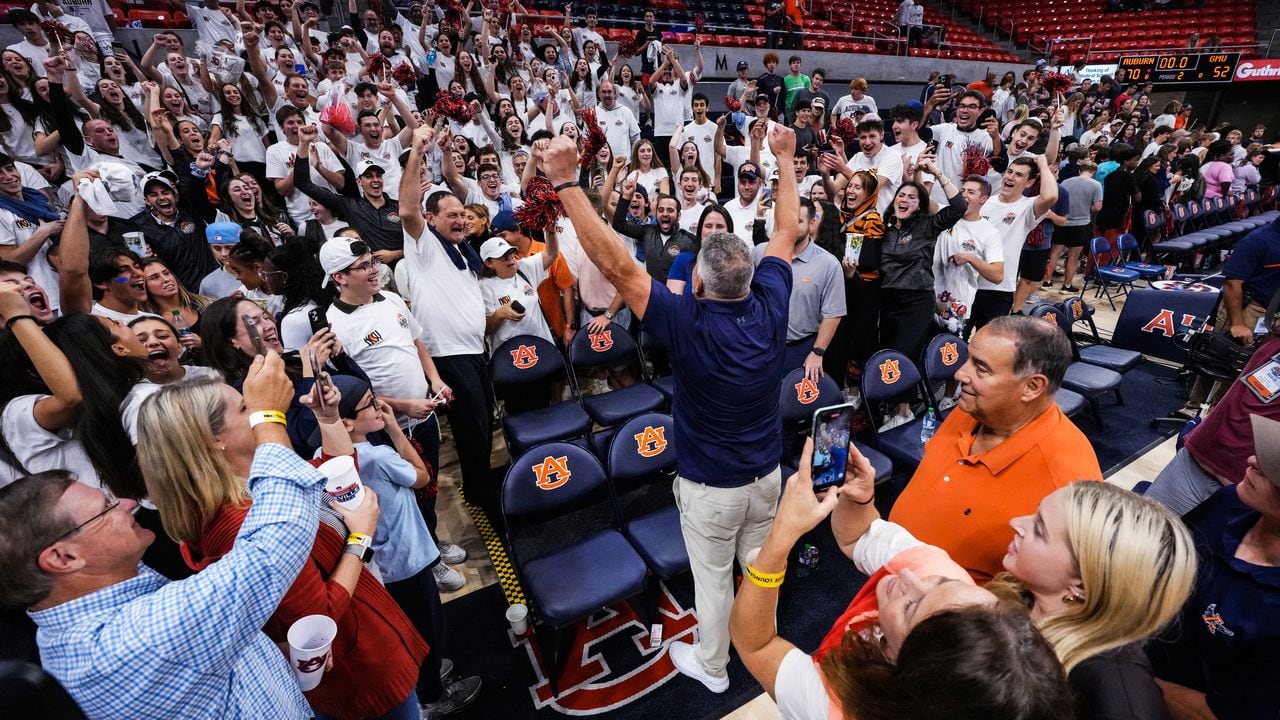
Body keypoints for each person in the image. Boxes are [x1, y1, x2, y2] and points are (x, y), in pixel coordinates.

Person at [540, 125, 800, 694]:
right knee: (761, 569)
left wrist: (564, 180)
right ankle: (761, 643)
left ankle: (713, 666)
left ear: (698, 281)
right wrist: (784, 158)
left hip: (713, 486)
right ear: (753, 281)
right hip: (767, 475)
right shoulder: (772, 304)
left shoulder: (687, 319)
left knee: (712, 583)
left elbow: (618, 268)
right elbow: (785, 231)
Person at [0, 352, 319, 720]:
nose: (124, 505)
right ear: (63, 558)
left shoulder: (102, 604)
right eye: (105, 509)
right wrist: (269, 417)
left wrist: (255, 655)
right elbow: (274, 546)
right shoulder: (128, 643)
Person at [138, 374, 431, 720]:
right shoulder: (240, 523)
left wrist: (328, 418)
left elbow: (332, 478)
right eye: (247, 407)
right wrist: (359, 539)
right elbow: (315, 619)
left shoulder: (258, 485)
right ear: (214, 439)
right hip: (357, 672)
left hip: (366, 646)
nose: (264, 412)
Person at [729, 437, 1074, 720]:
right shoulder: (944, 582)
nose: (909, 575)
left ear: (897, 662)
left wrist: (780, 538)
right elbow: (859, 535)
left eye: (910, 606)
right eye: (943, 584)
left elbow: (757, 644)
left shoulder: (834, 706)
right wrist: (860, 497)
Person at [889, 316, 1103, 580]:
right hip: (894, 585)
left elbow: (1059, 599)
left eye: (981, 369)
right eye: (968, 359)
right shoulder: (975, 408)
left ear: (1032, 387)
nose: (960, 374)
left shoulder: (1068, 481)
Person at [1148, 415, 1280, 720]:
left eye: (1273, 469)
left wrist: (1115, 668)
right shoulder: (1229, 503)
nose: (1251, 460)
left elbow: (1217, 713)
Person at [399, 127, 496, 511]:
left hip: (473, 350)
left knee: (483, 425)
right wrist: (416, 153)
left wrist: (442, 157)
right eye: (452, 215)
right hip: (448, 354)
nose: (461, 220)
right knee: (472, 430)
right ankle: (479, 495)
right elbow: (407, 209)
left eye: (463, 214)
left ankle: (481, 485)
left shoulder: (463, 252)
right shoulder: (423, 246)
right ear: (431, 219)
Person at [752, 197, 845, 379]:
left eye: (799, 221)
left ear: (812, 224)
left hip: (801, 350)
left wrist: (817, 352)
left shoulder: (828, 264)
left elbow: (833, 314)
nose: (791, 226)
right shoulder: (759, 252)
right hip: (760, 346)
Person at [971, 155, 1058, 328]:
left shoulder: (1027, 206)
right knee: (958, 338)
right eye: (1009, 172)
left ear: (1029, 183)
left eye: (1018, 175)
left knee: (990, 345)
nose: (1010, 177)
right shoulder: (984, 201)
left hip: (998, 289)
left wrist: (1042, 164)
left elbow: (1050, 196)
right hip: (968, 283)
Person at [932, 175, 1003, 340]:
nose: (964, 194)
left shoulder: (989, 232)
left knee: (947, 358)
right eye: (962, 190)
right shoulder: (945, 214)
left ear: (983, 199)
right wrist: (921, 173)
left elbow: (998, 275)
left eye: (971, 192)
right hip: (926, 299)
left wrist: (971, 258)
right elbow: (922, 199)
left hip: (956, 308)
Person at [1045, 160, 1102, 294]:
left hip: (1062, 222)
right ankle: (1067, 285)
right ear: (1093, 172)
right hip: (1081, 224)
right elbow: (1098, 207)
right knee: (1073, 257)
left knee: (1054, 254)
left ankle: (1046, 281)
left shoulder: (1066, 182)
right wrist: (1085, 208)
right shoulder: (1096, 184)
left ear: (1079, 170)